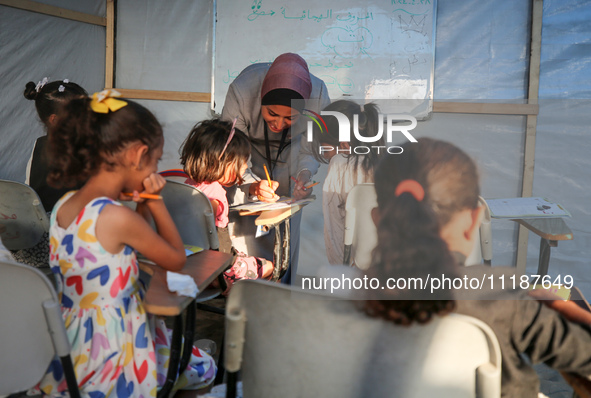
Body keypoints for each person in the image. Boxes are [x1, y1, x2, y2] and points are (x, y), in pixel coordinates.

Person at [363, 137, 591, 397]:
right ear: (473, 222)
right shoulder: (502, 293)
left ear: (377, 220)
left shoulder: (342, 296)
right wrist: (562, 307)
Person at [32, 90, 216, 396]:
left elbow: (135, 242)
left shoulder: (65, 206)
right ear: (136, 155)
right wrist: (155, 201)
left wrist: (142, 206)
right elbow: (174, 259)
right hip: (116, 349)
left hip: (74, 343)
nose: (155, 171)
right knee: (202, 367)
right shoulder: (115, 216)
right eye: (155, 161)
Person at [221, 52, 331, 284]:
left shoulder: (318, 95)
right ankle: (243, 287)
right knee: (245, 227)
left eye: (289, 118)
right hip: (247, 153)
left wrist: (304, 175)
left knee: (286, 230)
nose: (278, 125)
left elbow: (312, 146)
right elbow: (231, 149)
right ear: (260, 100)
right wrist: (251, 184)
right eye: (271, 114)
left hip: (293, 156)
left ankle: (282, 291)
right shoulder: (242, 90)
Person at [180, 118, 274, 293]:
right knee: (268, 266)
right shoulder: (215, 196)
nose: (245, 167)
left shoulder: (189, 184)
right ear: (222, 162)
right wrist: (218, 275)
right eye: (243, 161)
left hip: (187, 262)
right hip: (215, 268)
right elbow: (208, 243)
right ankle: (240, 310)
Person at [310, 100, 385, 265]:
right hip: (386, 266)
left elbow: (334, 230)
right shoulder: (386, 163)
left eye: (324, 147)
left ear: (344, 144)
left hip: (353, 269)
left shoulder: (339, 163)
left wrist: (339, 272)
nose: (325, 154)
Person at [23, 78, 88, 212]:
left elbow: (28, 186)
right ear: (55, 120)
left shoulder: (39, 143)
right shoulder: (83, 147)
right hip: (72, 225)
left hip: (44, 223)